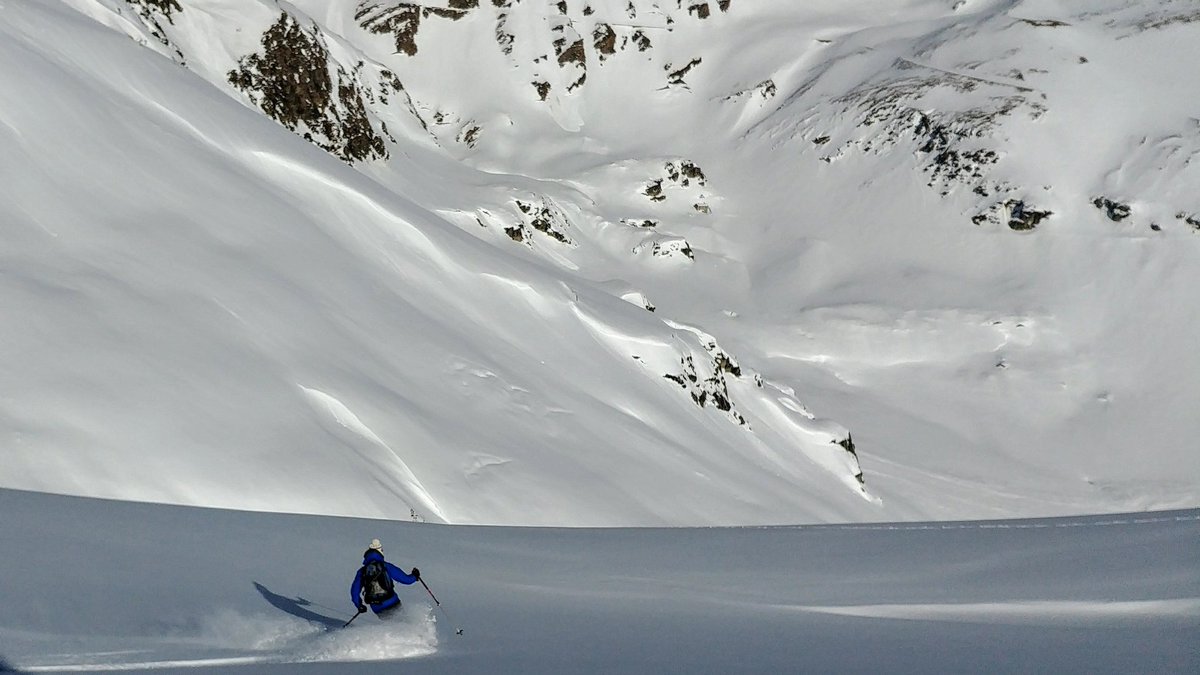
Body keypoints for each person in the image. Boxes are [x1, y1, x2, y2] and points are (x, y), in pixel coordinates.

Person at [349, 538, 420, 619]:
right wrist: (415, 576)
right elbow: (406, 580)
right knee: (403, 624)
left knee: (390, 625)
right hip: (391, 602)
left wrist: (359, 605)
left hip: (376, 607)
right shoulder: (386, 566)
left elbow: (354, 592)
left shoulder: (362, 571)